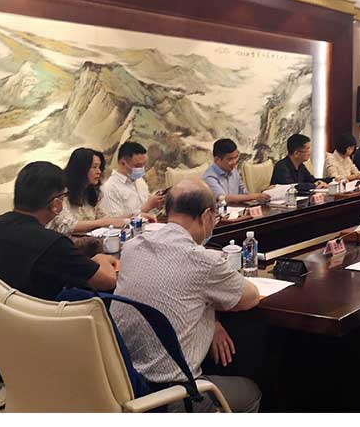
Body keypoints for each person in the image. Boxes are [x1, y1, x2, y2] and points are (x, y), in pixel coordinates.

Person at [110, 179, 262, 413]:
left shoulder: (132, 247)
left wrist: (212, 319)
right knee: (251, 393)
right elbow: (251, 297)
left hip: (125, 387)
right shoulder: (203, 260)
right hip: (172, 396)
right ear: (206, 216)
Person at [0, 161, 118, 300]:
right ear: (56, 204)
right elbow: (107, 281)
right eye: (64, 196)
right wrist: (101, 259)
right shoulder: (53, 243)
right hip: (42, 311)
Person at [47, 148, 154, 235]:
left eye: (99, 167)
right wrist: (102, 222)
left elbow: (108, 220)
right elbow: (66, 225)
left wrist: (136, 216)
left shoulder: (92, 193)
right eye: (94, 167)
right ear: (81, 169)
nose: (98, 171)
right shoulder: (62, 193)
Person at [100, 141, 164, 218]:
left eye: (144, 165)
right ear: (123, 163)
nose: (142, 169)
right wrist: (147, 207)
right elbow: (115, 221)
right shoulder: (110, 188)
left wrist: (156, 203)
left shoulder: (139, 181)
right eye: (138, 166)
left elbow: (148, 208)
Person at [203, 139, 271, 204]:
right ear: (217, 159)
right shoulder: (209, 177)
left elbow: (244, 193)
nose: (234, 162)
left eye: (236, 158)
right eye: (230, 159)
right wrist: (254, 196)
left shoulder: (233, 171)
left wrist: (262, 193)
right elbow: (223, 199)